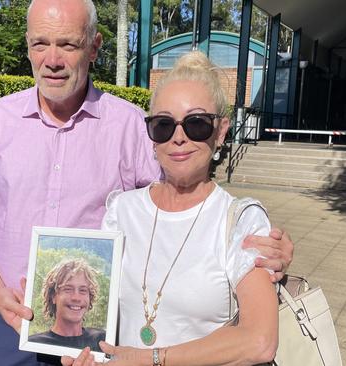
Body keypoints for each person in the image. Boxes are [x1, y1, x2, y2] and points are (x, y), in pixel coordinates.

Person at [0, 0, 293, 364]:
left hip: (93, 336)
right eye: (40, 43)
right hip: (3, 321)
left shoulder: (131, 127)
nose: (53, 59)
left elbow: (184, 198)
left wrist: (255, 247)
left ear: (94, 47)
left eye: (68, 44)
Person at [65, 52, 279, 366]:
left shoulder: (241, 221)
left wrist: (151, 359)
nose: (178, 138)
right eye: (164, 125)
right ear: (151, 136)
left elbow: (259, 341)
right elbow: (99, 313)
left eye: (196, 124)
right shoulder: (121, 210)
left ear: (220, 132)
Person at [29, 259, 105, 352]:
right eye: (68, 289)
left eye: (83, 290)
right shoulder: (35, 345)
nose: (76, 298)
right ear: (53, 296)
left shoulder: (102, 341)